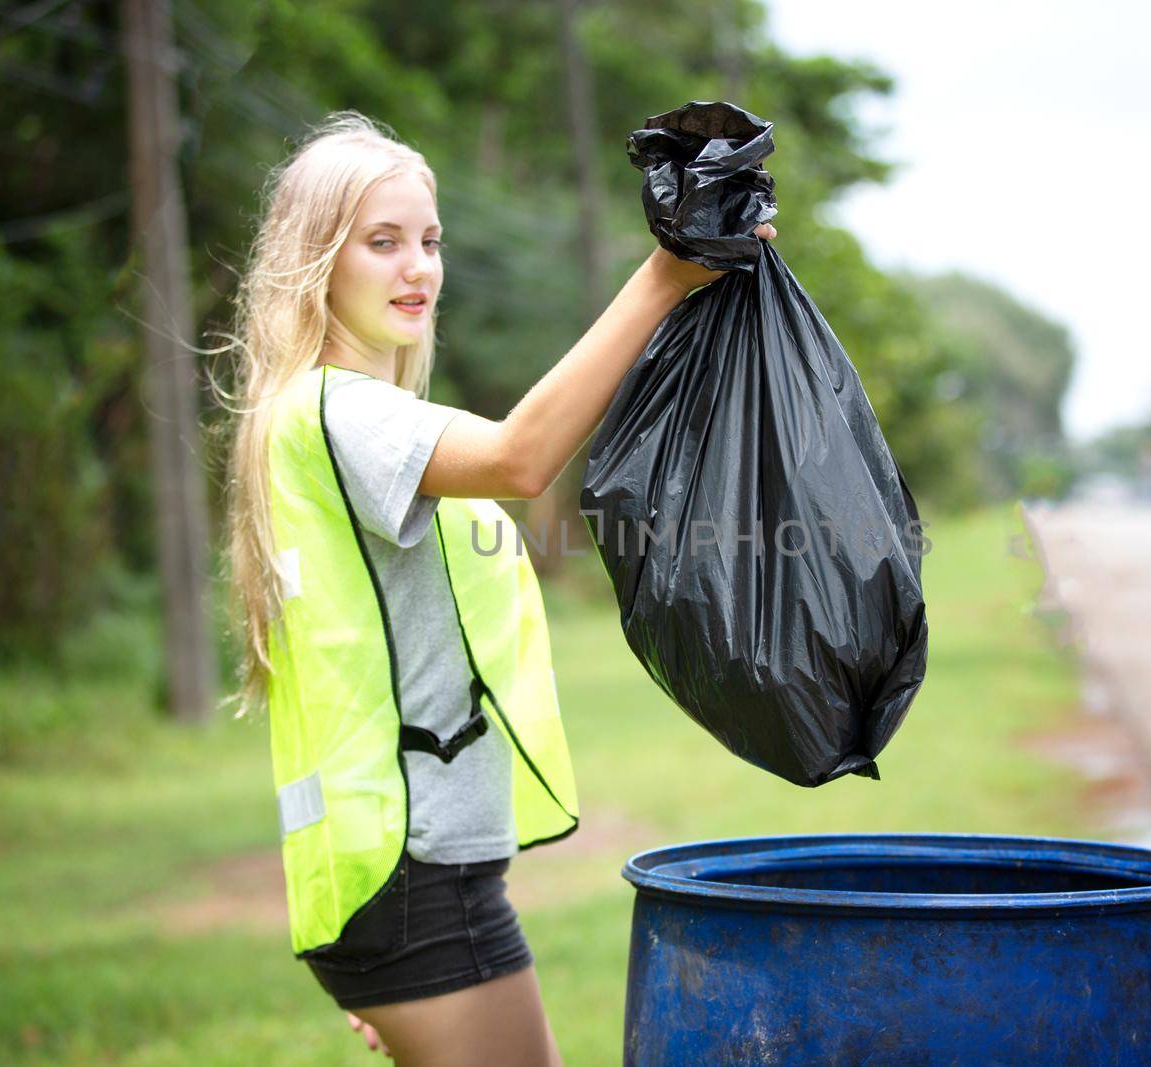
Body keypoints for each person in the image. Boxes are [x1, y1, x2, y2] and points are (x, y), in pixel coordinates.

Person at [218, 110, 777, 1067]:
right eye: (382, 242)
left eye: (429, 241)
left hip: (405, 881)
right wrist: (666, 275)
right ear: (317, 260)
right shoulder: (345, 415)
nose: (417, 268)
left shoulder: (342, 416)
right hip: (412, 874)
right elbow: (522, 456)